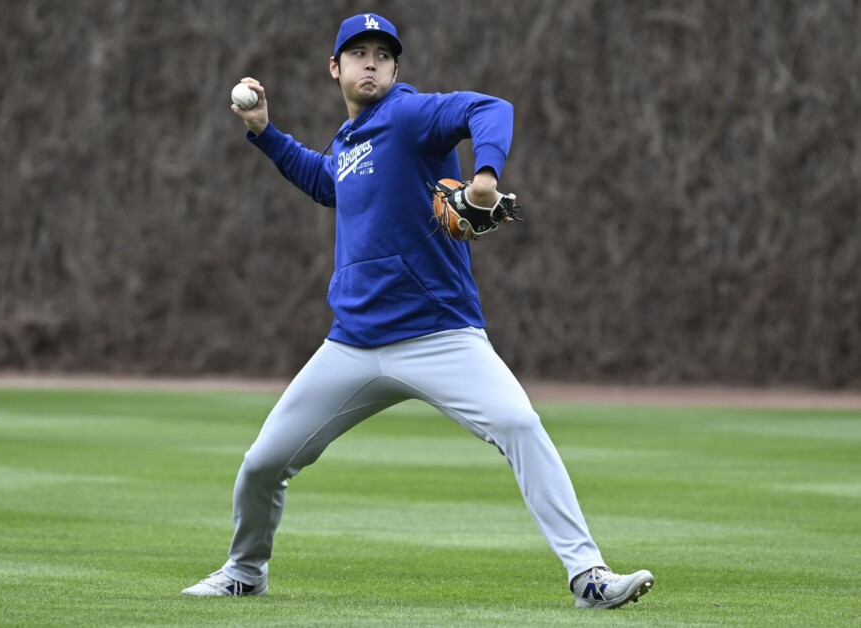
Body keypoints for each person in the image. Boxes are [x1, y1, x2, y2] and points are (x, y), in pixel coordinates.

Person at [182, 13, 654, 609]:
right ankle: (245, 571)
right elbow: (327, 182)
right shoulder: (350, 143)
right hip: (352, 344)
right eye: (358, 53)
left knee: (519, 425)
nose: (371, 61)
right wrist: (264, 131)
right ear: (336, 68)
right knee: (261, 464)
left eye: (383, 53)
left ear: (396, 68)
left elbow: (491, 108)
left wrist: (484, 176)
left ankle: (589, 575)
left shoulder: (407, 116)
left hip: (440, 335)